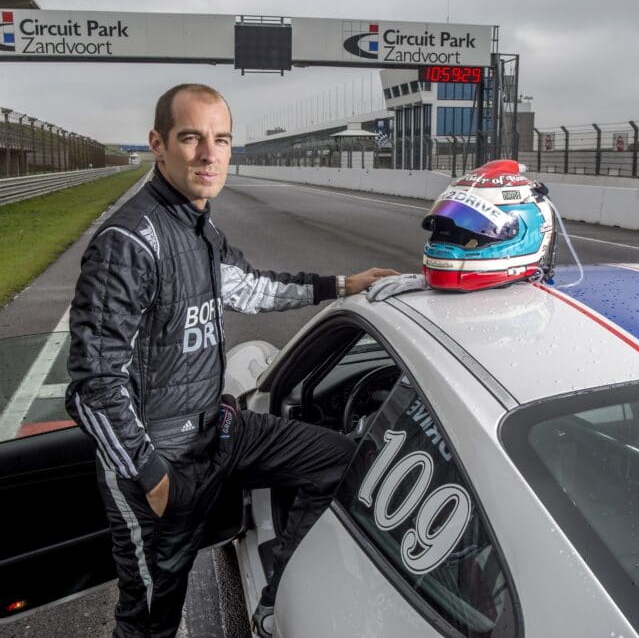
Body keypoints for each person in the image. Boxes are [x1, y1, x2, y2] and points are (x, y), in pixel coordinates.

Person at [66, 83, 396, 638]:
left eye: (220, 139)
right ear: (158, 144)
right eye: (191, 137)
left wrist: (342, 285)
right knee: (149, 620)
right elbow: (94, 384)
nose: (208, 154)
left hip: (217, 429)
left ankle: (275, 603)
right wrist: (152, 479)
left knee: (341, 459)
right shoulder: (130, 241)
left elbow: (252, 289)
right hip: (157, 455)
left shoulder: (202, 228)